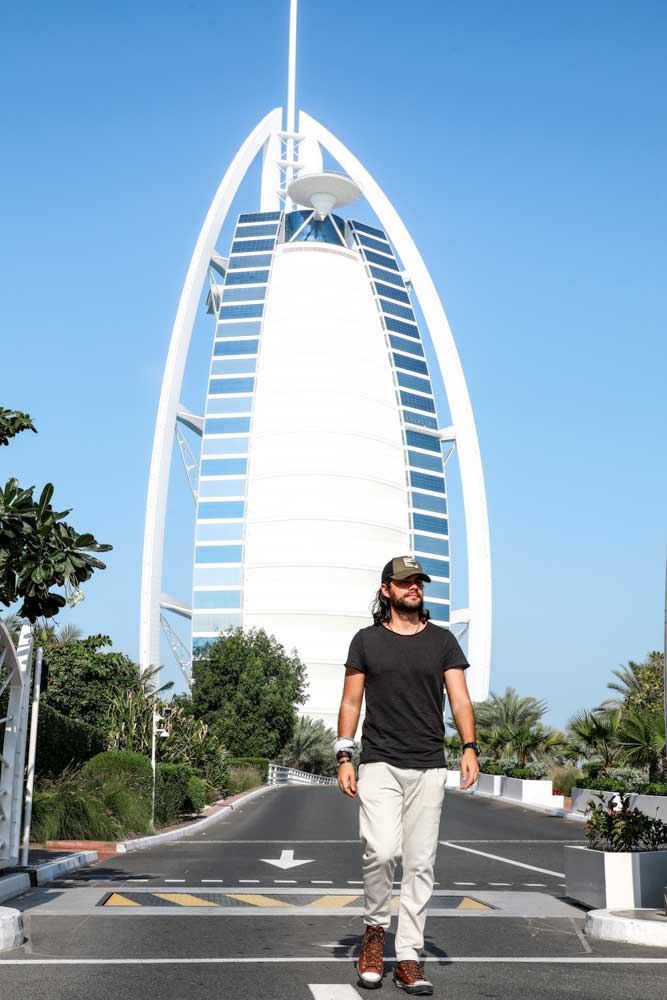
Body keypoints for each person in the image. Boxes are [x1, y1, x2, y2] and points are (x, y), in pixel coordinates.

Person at [335, 555, 479, 995]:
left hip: (429, 765)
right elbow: (350, 704)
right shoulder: (365, 641)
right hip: (379, 761)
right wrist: (344, 755)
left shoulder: (443, 642)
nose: (414, 587)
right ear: (387, 591)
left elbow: (459, 699)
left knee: (420, 863)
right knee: (380, 851)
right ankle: (375, 935)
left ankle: (410, 956)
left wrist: (469, 747)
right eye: (405, 582)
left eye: (418, 581)